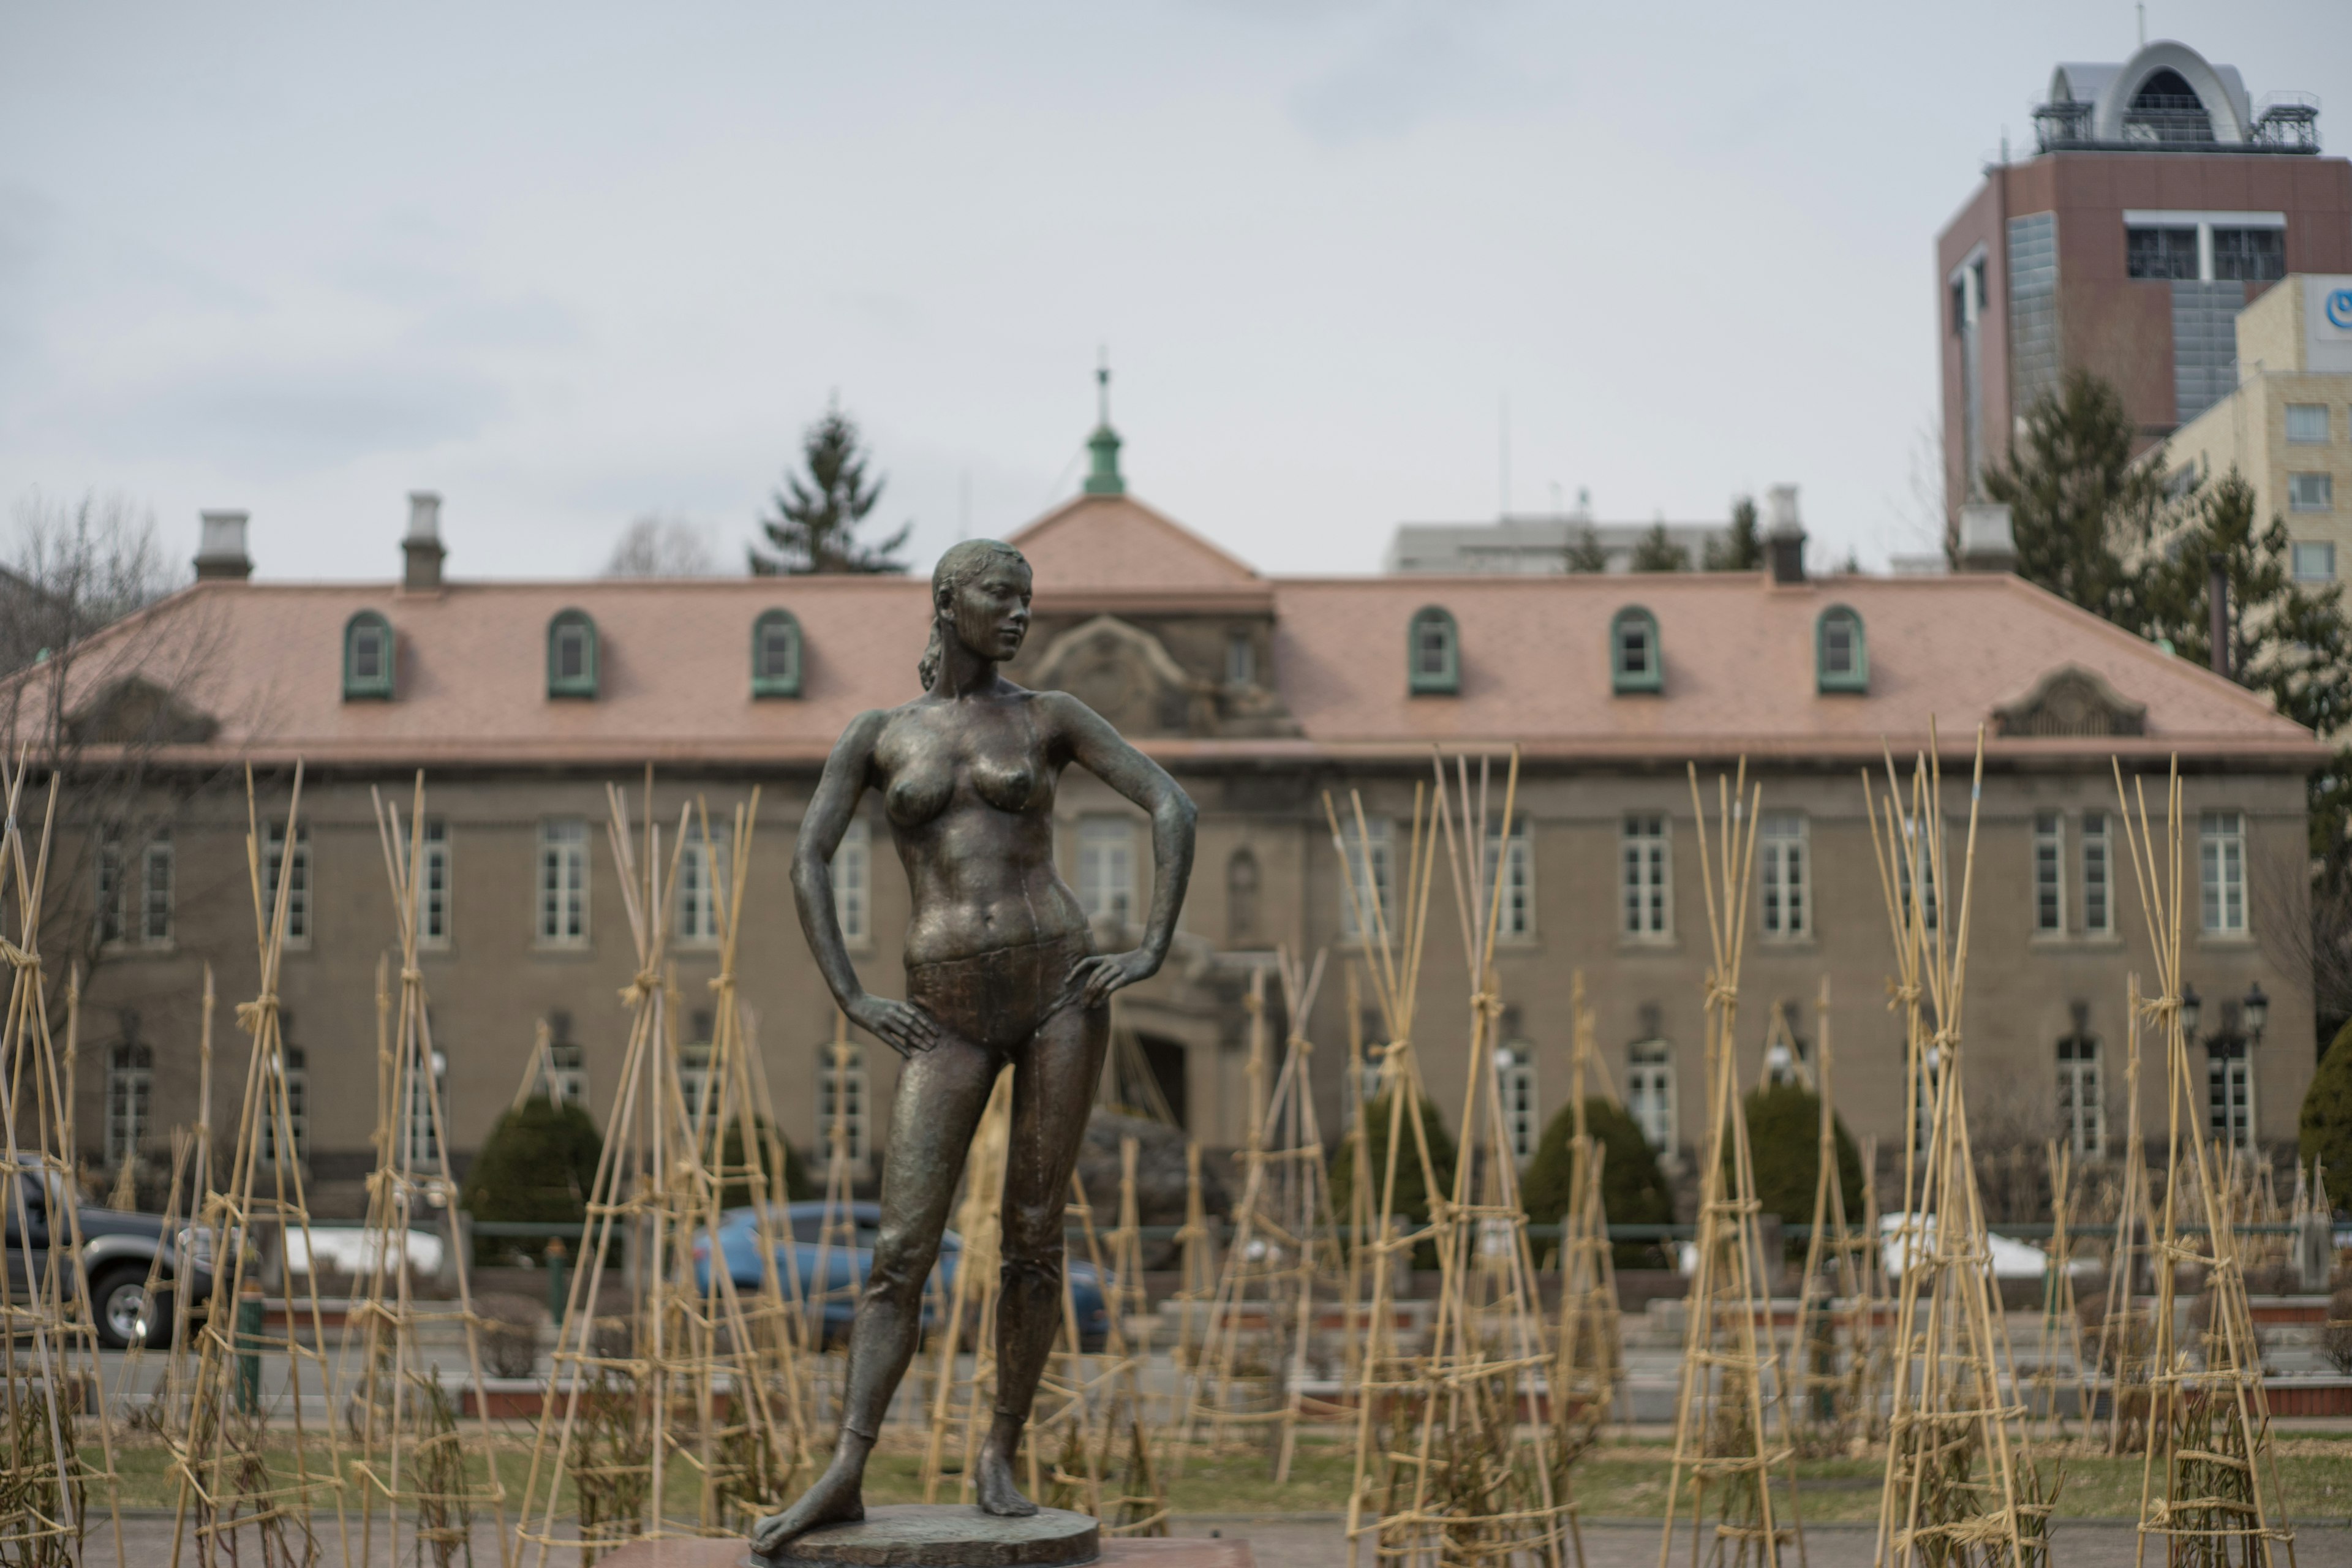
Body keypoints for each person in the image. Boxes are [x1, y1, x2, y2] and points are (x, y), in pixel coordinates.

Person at [752, 538, 1195, 1550]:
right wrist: (853, 996)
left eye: (1028, 598)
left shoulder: (1049, 718)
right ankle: (849, 1467)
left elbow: (1173, 803)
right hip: (941, 1011)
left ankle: (999, 1449)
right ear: (946, 602)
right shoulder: (879, 735)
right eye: (1001, 594)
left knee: (1033, 1233)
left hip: (1058, 993)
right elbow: (807, 859)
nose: (1019, 613)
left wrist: (1151, 947)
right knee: (901, 1247)